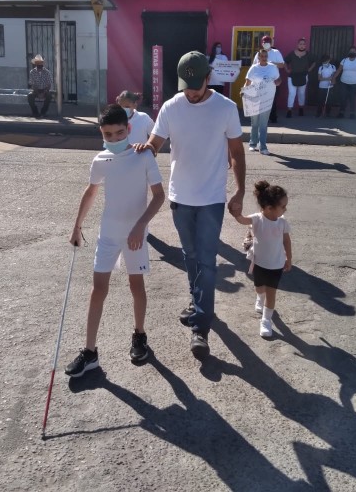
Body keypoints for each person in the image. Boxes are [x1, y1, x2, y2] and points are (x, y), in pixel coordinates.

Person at [137, 51, 246, 359]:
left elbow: (237, 152)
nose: (192, 92)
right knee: (190, 255)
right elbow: (155, 144)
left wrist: (238, 191)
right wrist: (139, 150)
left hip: (211, 198)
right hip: (180, 197)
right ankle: (197, 300)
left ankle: (200, 327)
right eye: (187, 86)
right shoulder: (172, 107)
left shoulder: (226, 108)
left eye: (197, 86)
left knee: (208, 262)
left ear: (208, 79)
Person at [65, 104, 165, 377]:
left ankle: (139, 335)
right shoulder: (100, 159)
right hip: (108, 233)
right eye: (108, 135)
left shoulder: (143, 156)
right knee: (97, 289)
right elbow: (90, 192)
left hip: (135, 234)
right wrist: (77, 226)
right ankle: (90, 352)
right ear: (101, 133)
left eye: (119, 133)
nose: (114, 139)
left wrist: (140, 227)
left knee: (136, 285)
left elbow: (159, 196)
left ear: (129, 129)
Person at [233, 181, 292, 338]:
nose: (285, 209)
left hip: (276, 265)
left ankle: (266, 320)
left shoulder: (282, 222)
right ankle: (259, 297)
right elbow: (243, 220)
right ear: (269, 207)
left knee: (271, 293)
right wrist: (236, 213)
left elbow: (287, 241)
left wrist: (289, 258)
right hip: (259, 263)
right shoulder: (258, 219)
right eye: (283, 206)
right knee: (260, 288)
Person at [244, 49, 281, 155]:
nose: (264, 58)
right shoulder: (254, 68)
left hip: (267, 99)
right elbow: (248, 82)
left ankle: (263, 147)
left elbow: (279, 80)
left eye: (265, 56)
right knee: (254, 123)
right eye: (262, 56)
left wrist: (277, 82)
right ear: (258, 57)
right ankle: (252, 144)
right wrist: (245, 94)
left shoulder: (273, 68)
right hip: (254, 99)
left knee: (263, 124)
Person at [283, 38, 316, 118]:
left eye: (303, 44)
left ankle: (301, 108)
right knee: (292, 93)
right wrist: (287, 69)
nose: (302, 46)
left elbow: (314, 62)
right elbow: (284, 61)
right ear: (298, 45)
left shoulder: (308, 54)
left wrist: (309, 69)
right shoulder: (292, 53)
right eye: (300, 44)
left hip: (303, 76)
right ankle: (289, 110)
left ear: (305, 45)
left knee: (301, 93)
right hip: (292, 76)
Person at [257, 35, 284, 123]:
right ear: (262, 43)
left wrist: (273, 63)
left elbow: (282, 65)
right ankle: (263, 117)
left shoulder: (276, 52)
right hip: (262, 80)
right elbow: (254, 66)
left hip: (273, 80)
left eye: (267, 42)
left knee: (273, 99)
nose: (266, 44)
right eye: (264, 42)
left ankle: (273, 117)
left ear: (271, 43)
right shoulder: (259, 53)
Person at [336, 45, 356, 119]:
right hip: (343, 82)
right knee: (343, 98)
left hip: (354, 83)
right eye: (351, 51)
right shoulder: (344, 60)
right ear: (348, 52)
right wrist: (333, 78)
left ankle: (352, 114)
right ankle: (341, 113)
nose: (352, 52)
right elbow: (339, 70)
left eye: (353, 51)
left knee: (352, 98)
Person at [27, 54, 53, 118]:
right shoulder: (32, 72)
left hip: (45, 89)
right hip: (36, 90)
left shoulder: (47, 72)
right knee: (30, 96)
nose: (39, 65)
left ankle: (43, 112)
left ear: (42, 64)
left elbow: (49, 84)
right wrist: (37, 92)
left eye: (40, 64)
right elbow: (32, 84)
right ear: (35, 64)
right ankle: (35, 112)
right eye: (38, 64)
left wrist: (44, 92)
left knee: (49, 96)